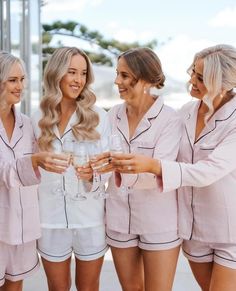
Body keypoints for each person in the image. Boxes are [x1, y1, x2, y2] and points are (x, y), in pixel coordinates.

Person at [105, 44, 236, 291]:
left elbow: (208, 170)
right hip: (193, 229)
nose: (191, 81)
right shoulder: (185, 113)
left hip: (229, 229)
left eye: (200, 77)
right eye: (192, 73)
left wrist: (153, 165)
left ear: (223, 82)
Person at [94, 47, 183, 291]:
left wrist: (117, 167)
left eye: (124, 75)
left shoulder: (170, 119)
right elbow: (103, 164)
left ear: (144, 79)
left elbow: (160, 170)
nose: (117, 81)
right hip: (119, 218)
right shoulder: (112, 115)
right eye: (117, 74)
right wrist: (93, 170)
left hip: (159, 221)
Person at [31, 47, 110, 291]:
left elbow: (108, 165)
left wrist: (93, 175)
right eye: (72, 72)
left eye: (83, 73)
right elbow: (29, 166)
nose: (78, 80)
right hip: (49, 218)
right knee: (57, 288)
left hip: (89, 217)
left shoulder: (98, 116)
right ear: (56, 73)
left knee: (88, 288)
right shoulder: (36, 117)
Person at [0, 51, 68, 291]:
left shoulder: (27, 123)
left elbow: (34, 168)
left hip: (22, 224)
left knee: (15, 284)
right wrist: (35, 161)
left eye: (22, 79)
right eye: (12, 80)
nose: (20, 86)